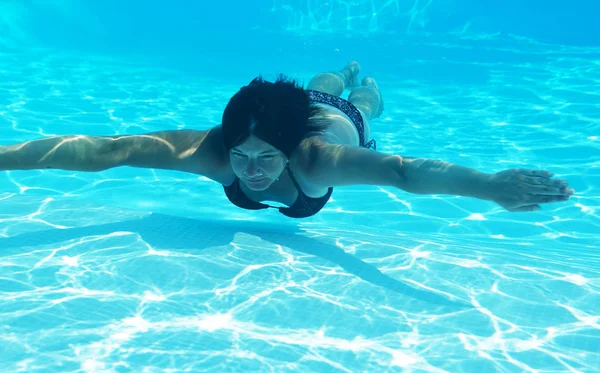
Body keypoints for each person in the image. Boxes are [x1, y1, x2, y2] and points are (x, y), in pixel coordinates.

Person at [0, 62, 574, 218]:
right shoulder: (215, 151)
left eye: (265, 159)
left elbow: (401, 173)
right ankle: (337, 74)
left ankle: (364, 86)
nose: (250, 171)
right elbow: (112, 150)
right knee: (318, 84)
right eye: (241, 156)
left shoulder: (319, 162)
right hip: (293, 111)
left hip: (341, 122)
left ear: (291, 151)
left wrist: (488, 185)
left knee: (354, 102)